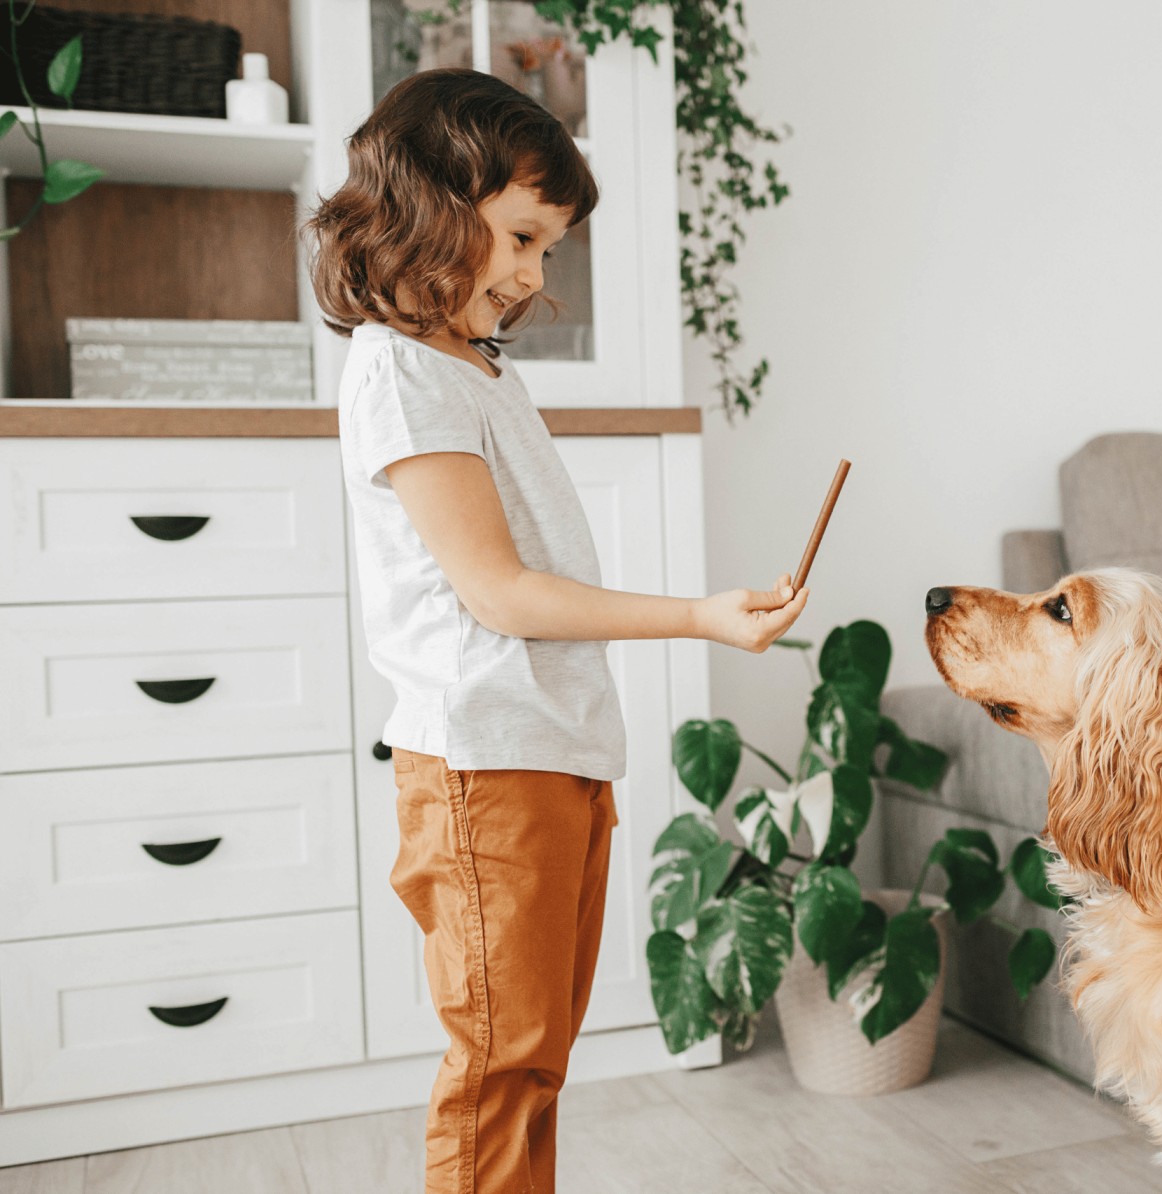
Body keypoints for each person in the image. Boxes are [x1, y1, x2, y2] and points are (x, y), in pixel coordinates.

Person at [303, 67, 806, 1193]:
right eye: (522, 238)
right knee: (503, 1065)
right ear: (432, 206)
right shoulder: (397, 372)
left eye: (548, 248)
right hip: (485, 764)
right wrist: (696, 618)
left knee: (532, 1060)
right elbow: (502, 593)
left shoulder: (472, 368)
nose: (533, 276)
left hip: (549, 750)